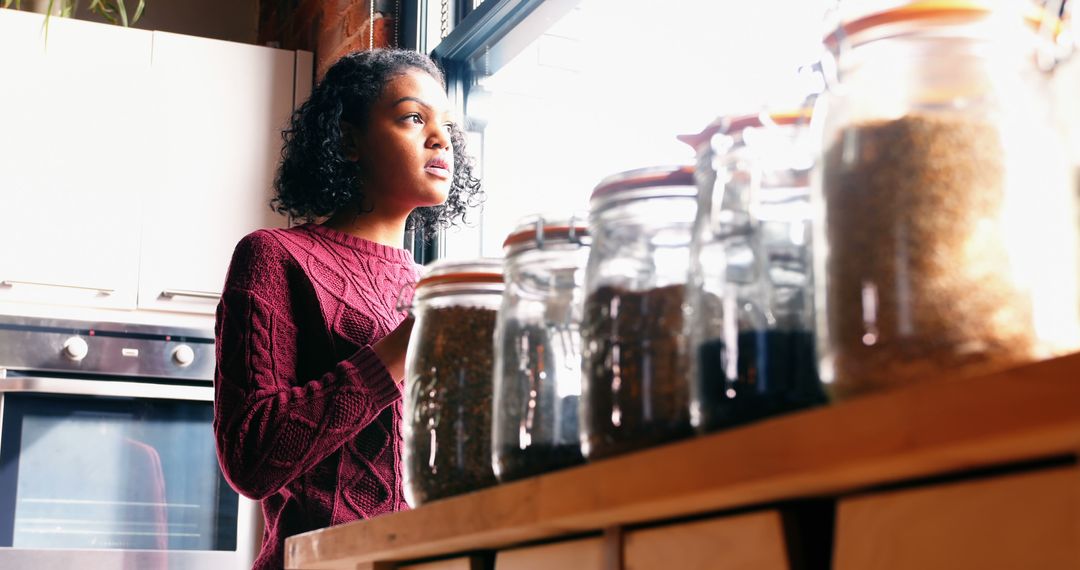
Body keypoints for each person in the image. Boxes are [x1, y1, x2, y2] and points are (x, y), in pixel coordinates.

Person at [213, 48, 482, 570]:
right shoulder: (275, 256)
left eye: (447, 125)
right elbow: (250, 458)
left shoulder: (431, 287)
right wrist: (403, 347)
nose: (440, 138)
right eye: (412, 117)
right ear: (348, 139)